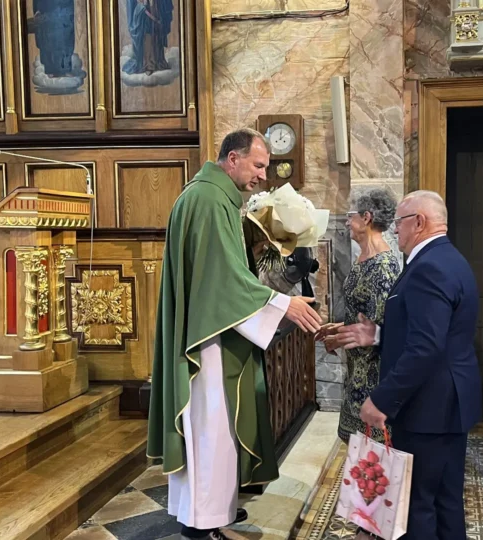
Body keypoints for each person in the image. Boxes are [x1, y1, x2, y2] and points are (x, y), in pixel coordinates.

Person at [147, 129, 322, 540]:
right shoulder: (209, 200)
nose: (263, 175)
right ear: (232, 159)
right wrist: (283, 304)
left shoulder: (214, 196)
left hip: (213, 326)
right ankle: (202, 523)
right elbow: (222, 280)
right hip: (208, 338)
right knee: (211, 429)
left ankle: (209, 512)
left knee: (215, 429)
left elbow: (225, 269)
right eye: (258, 165)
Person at [335, 191, 481, 540]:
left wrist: (382, 399)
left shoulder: (429, 267)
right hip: (447, 403)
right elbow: (432, 331)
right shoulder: (449, 258)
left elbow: (426, 347)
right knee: (444, 500)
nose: (395, 229)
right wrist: (379, 334)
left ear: (419, 222)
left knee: (418, 505)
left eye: (400, 222)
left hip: (428, 407)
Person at [315, 189, 401, 444]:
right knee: (354, 446)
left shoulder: (382, 267)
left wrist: (339, 339)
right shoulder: (363, 258)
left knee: (372, 451)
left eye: (350, 216)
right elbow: (362, 317)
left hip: (373, 375)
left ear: (366, 218)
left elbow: (378, 329)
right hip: (356, 372)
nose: (346, 222)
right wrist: (338, 327)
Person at [124, 0, 173, 75]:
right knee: (147, 38)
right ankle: (148, 65)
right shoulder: (141, 8)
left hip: (155, 9)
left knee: (155, 36)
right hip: (144, 14)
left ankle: (157, 61)